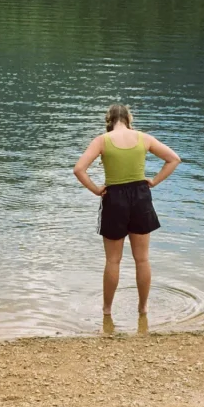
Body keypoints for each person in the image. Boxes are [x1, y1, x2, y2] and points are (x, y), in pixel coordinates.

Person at [73, 104, 181, 321]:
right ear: (129, 119)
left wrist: (96, 190)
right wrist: (154, 181)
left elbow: (79, 169)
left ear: (109, 120)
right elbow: (173, 159)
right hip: (141, 196)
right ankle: (143, 309)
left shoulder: (102, 141)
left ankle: (106, 311)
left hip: (114, 198)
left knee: (113, 261)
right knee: (142, 259)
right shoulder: (144, 138)